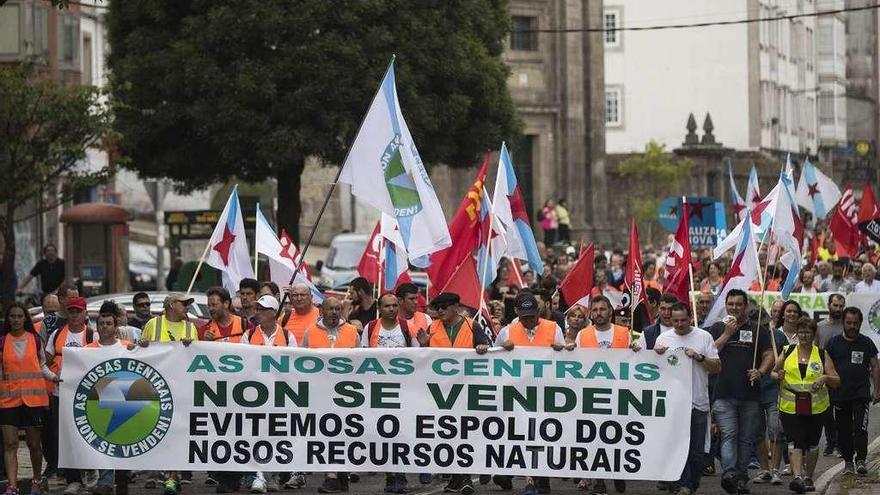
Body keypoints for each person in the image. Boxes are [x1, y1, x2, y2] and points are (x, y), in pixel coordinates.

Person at [416, 293, 490, 494]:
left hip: (466, 390)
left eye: (444, 307)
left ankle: (465, 478)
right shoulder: (432, 328)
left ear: (456, 307)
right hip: (441, 392)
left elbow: (488, 352)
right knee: (448, 435)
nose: (440, 310)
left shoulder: (471, 326)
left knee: (463, 433)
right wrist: (423, 345)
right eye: (437, 307)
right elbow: (425, 360)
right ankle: (457, 480)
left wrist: (482, 347)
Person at [496, 292, 569, 495]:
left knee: (541, 435)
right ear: (517, 312)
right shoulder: (507, 332)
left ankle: (540, 478)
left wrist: (561, 350)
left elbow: (564, 359)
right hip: (516, 393)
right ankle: (528, 480)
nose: (529, 320)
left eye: (532, 315)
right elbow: (492, 361)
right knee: (521, 435)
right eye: (524, 316)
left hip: (544, 393)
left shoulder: (554, 329)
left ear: (538, 311)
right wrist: (502, 348)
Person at [707, 289, 774, 495]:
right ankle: (729, 474)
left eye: (738, 304)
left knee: (746, 438)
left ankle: (741, 476)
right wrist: (727, 334)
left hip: (750, 395)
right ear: (726, 305)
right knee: (729, 434)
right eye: (731, 304)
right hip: (723, 393)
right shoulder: (716, 328)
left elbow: (769, 354)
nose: (734, 307)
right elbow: (709, 353)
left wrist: (761, 371)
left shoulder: (758, 329)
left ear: (746, 306)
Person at [654, 303, 721, 495]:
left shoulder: (703, 337)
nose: (679, 324)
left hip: (698, 402)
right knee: (677, 447)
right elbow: (651, 370)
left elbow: (717, 367)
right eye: (675, 321)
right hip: (673, 403)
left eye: (683, 320)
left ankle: (691, 484)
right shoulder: (663, 338)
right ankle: (681, 484)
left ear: (690, 317)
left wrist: (699, 357)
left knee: (697, 451)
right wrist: (655, 356)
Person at [770, 317, 840, 494]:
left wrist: (825, 378)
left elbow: (836, 381)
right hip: (790, 405)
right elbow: (773, 372)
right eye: (801, 332)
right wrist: (776, 376)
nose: (804, 335)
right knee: (795, 440)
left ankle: (808, 476)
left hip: (816, 407)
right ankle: (797, 478)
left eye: (807, 332)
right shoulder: (787, 351)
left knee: (812, 443)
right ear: (796, 333)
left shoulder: (822, 354)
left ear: (813, 333)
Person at [0, 302, 59, 495]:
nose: (16, 320)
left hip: (34, 401)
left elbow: (42, 365)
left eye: (19, 316)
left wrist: (53, 377)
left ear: (25, 318)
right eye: (12, 316)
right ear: (8, 319)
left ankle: (36, 480)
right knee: (10, 444)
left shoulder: (34, 339)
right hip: (8, 401)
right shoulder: (2, 342)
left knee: (34, 444)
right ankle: (12, 486)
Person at [241, 295, 298, 493]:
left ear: (273, 313)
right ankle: (258, 476)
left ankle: (273, 475)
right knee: (255, 434)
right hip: (254, 395)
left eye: (263, 309)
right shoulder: (248, 335)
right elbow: (242, 365)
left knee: (276, 435)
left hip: (279, 395)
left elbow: (294, 366)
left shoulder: (287, 335)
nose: (258, 312)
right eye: (257, 308)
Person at [362, 294, 415, 493]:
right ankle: (389, 475)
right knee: (383, 434)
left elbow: (418, 357)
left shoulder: (406, 327)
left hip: (403, 389)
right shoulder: (370, 328)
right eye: (387, 306)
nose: (391, 309)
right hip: (377, 390)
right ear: (379, 308)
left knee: (400, 433)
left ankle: (400, 475)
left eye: (394, 305)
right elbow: (362, 356)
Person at [44, 296, 95, 494]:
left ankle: (91, 471)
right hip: (61, 394)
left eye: (78, 311)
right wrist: (52, 377)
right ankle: (73, 479)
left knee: (88, 434)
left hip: (87, 396)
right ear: (67, 313)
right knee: (65, 437)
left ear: (85, 313)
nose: (74, 315)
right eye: (71, 311)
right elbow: (44, 362)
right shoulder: (57, 334)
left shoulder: (92, 335)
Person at [825, 307, 880, 476]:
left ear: (860, 323)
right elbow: (825, 367)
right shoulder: (833, 343)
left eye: (855, 323)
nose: (852, 326)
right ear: (843, 322)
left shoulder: (867, 342)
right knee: (843, 430)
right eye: (848, 323)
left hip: (861, 394)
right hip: (839, 394)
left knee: (860, 427)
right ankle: (848, 462)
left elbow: (875, 366)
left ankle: (861, 460)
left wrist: (877, 390)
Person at [87, 305, 133, 495]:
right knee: (104, 443)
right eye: (102, 324)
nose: (105, 327)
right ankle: (106, 481)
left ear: (116, 327)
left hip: (124, 400)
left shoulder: (127, 347)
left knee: (121, 444)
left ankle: (122, 481)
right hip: (99, 402)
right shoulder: (88, 350)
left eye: (109, 323)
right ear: (97, 327)